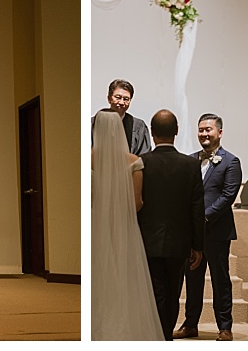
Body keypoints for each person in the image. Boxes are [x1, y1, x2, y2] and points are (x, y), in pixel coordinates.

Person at [91, 109, 164, 340]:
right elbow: (137, 203)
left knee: (99, 277)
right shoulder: (134, 161)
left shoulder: (86, 158)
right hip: (124, 228)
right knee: (126, 279)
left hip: (95, 227)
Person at [137, 109, 205, 341]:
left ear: (152, 132)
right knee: (173, 291)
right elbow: (197, 208)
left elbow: (136, 204)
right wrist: (197, 245)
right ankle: (166, 336)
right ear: (177, 132)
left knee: (154, 291)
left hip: (147, 240)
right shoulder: (190, 165)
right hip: (179, 240)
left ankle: (155, 336)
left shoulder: (141, 163)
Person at [174, 113, 242, 341]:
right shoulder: (191, 160)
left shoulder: (231, 161)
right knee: (192, 279)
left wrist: (203, 217)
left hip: (216, 232)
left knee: (220, 280)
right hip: (192, 233)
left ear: (219, 132)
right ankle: (191, 324)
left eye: (208, 130)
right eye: (201, 129)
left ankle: (225, 326)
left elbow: (228, 195)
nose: (204, 133)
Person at [91, 79, 152, 155]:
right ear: (109, 99)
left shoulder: (138, 127)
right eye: (118, 97)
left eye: (126, 99)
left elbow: (144, 156)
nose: (121, 102)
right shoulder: (93, 123)